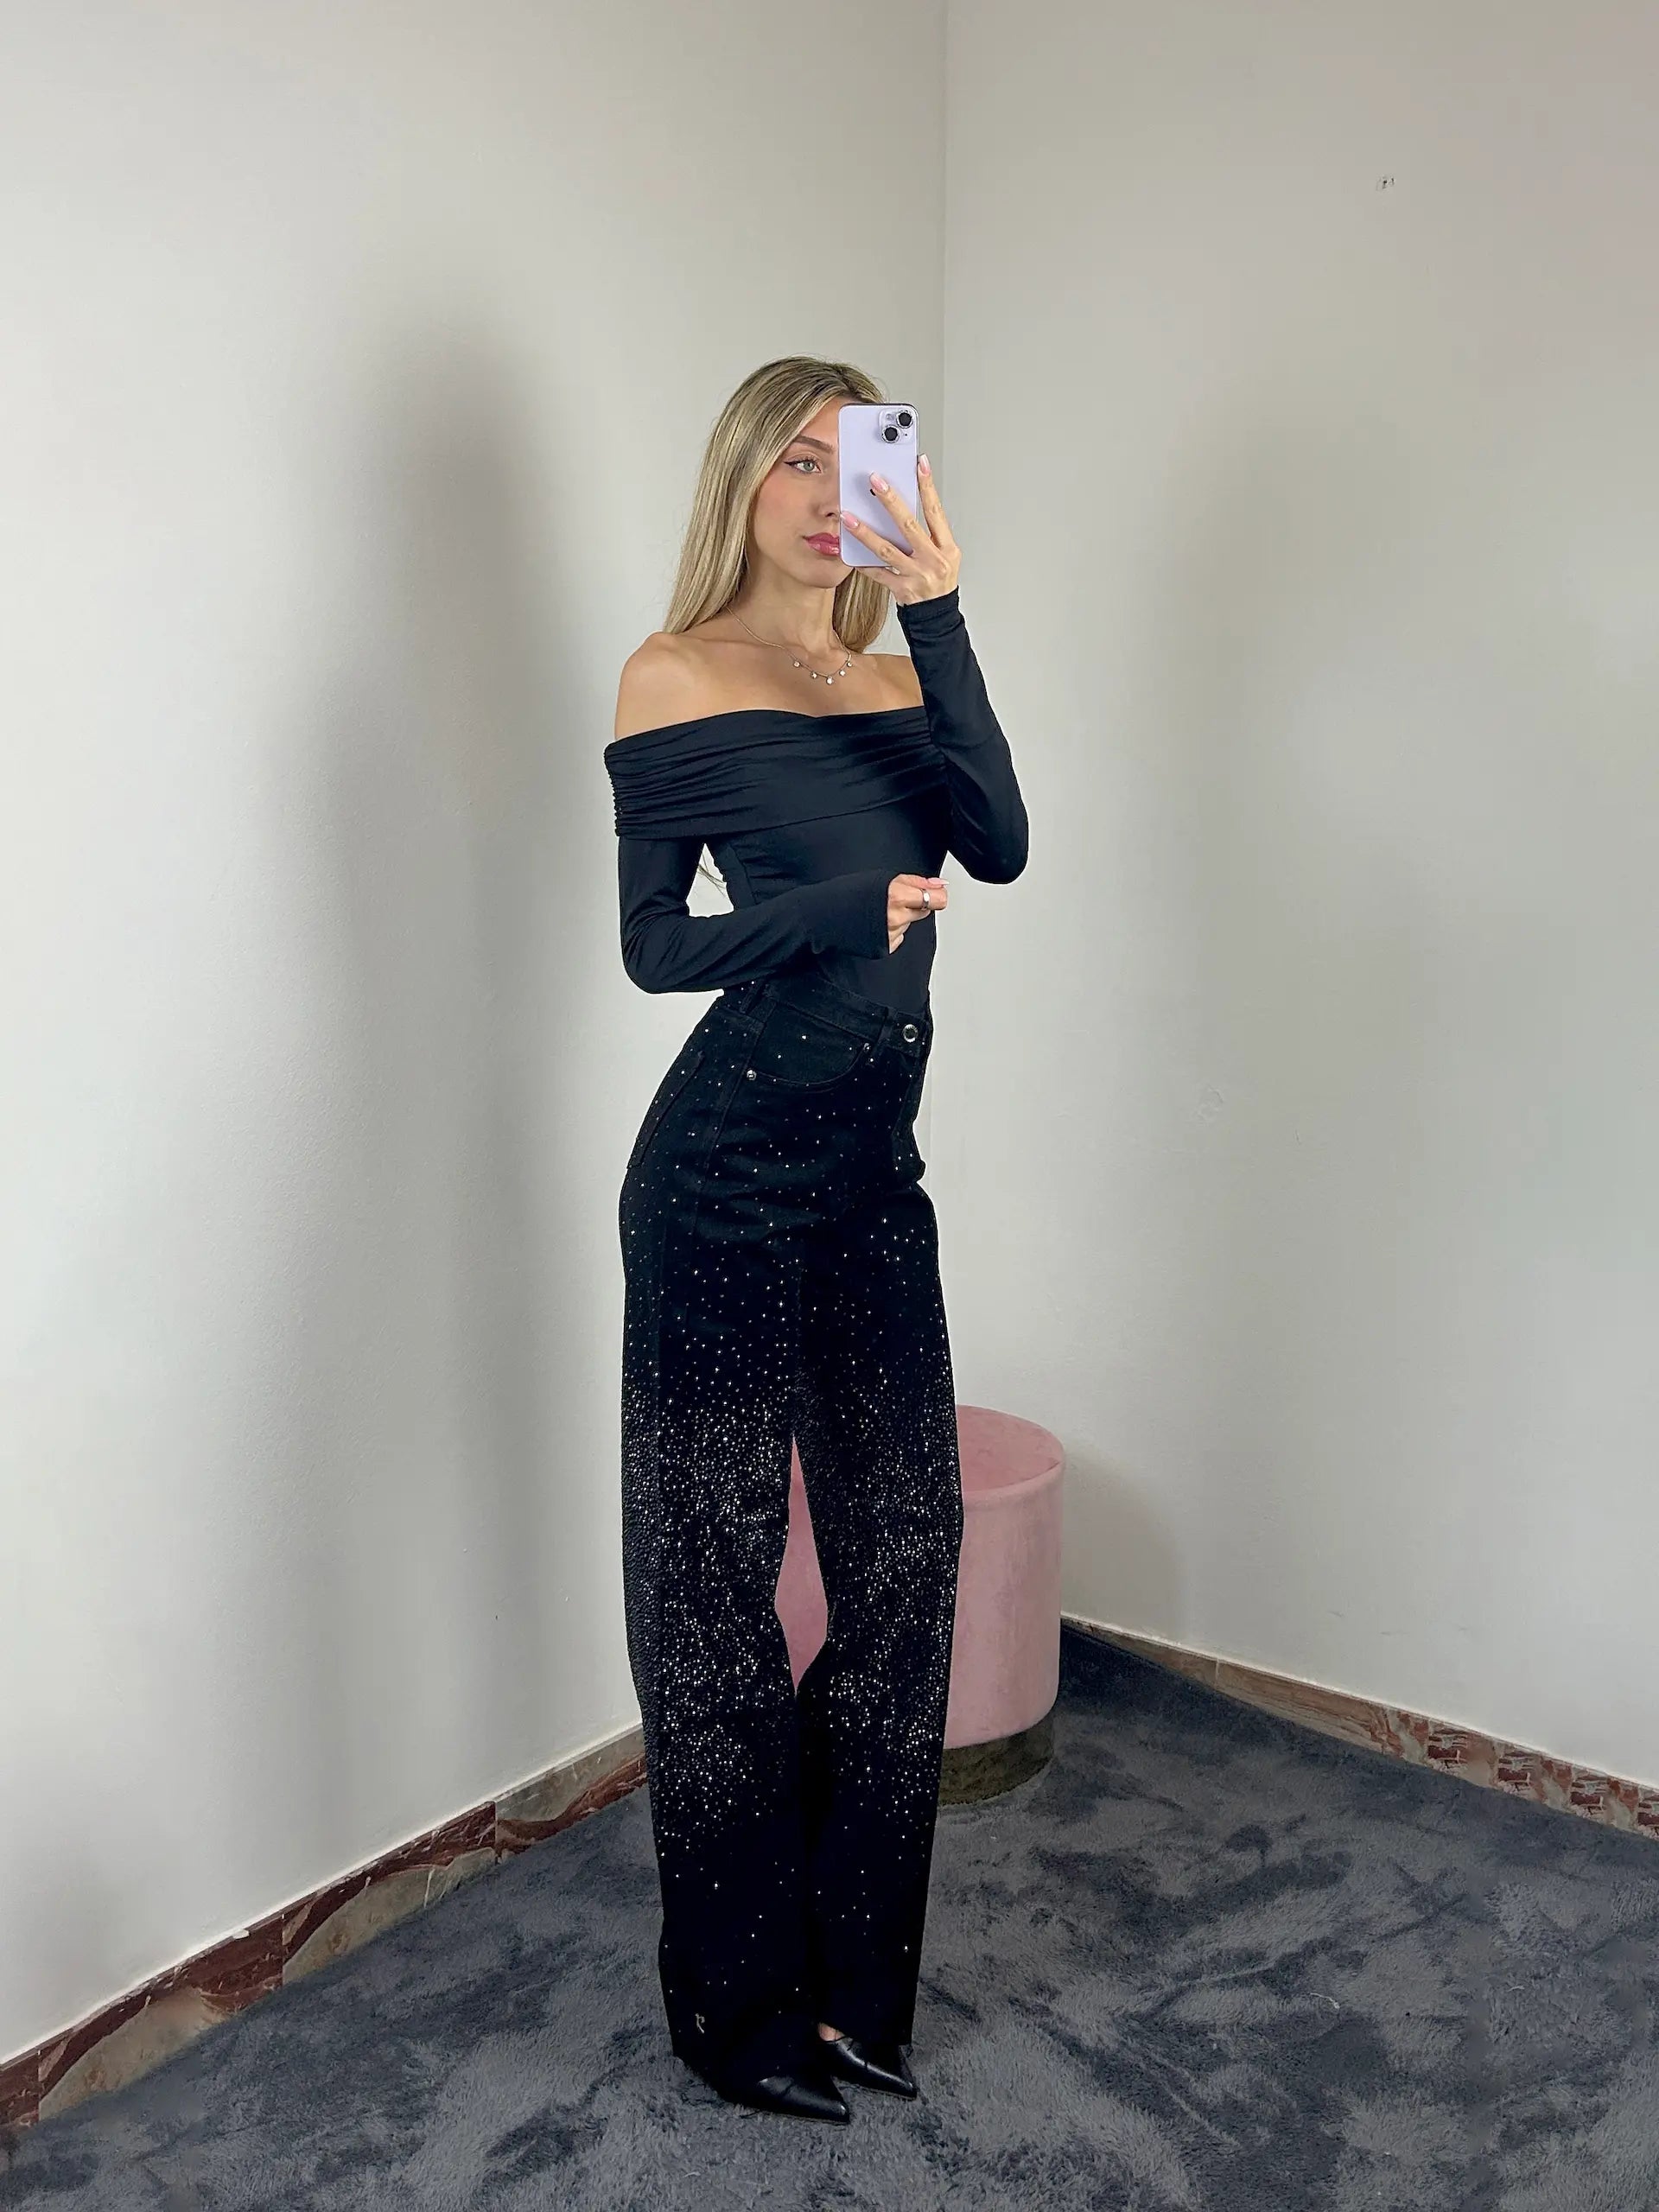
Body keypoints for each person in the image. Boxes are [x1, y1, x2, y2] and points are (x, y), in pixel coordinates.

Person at [603, 355, 1028, 2125]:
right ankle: (736, 2005)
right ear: (741, 478)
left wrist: (942, 615)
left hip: (870, 1181)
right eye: (791, 455)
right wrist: (832, 909)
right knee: (709, 1590)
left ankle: (854, 1979)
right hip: (717, 1181)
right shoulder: (674, 671)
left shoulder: (899, 669)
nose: (819, 487)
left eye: (851, 456)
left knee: (907, 1558)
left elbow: (1000, 844)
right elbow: (652, 947)